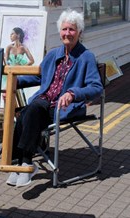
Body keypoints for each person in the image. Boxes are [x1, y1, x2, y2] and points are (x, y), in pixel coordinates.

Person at [6, 9, 103, 187]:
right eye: (64, 29)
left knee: (31, 110)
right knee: (28, 111)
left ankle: (23, 162)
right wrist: (12, 82)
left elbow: (96, 87)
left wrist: (73, 94)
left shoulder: (86, 57)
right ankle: (23, 163)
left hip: (64, 106)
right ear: (60, 32)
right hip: (44, 103)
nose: (67, 33)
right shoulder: (53, 54)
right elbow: (38, 77)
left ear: (79, 32)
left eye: (72, 30)